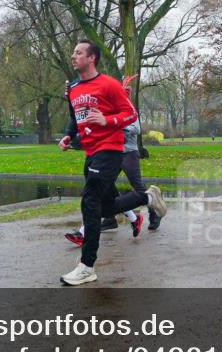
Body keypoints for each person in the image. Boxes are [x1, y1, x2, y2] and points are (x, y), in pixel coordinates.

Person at [59, 40, 167, 285]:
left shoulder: (109, 84)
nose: (73, 56)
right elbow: (75, 118)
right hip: (91, 151)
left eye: (78, 52)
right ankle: (147, 198)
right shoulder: (73, 87)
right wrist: (68, 136)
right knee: (104, 209)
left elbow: (131, 115)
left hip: (110, 150)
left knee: (89, 203)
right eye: (73, 52)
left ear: (92, 58)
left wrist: (107, 121)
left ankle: (87, 266)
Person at [65, 74, 162, 246]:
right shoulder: (105, 106)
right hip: (108, 153)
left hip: (128, 153)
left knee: (138, 189)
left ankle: (154, 212)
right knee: (103, 189)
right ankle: (92, 228)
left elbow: (136, 128)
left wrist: (112, 125)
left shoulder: (126, 106)